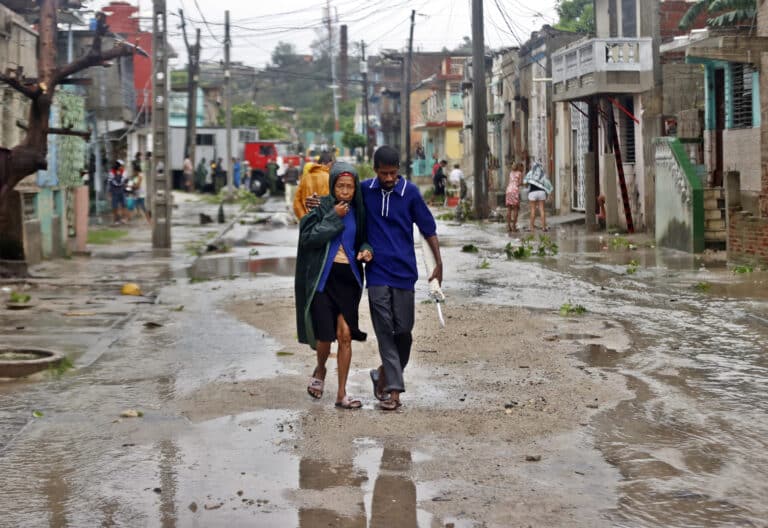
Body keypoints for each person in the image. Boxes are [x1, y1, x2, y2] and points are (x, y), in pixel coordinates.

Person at [363, 145, 443, 410]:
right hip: (376, 273)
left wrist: (438, 264)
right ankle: (394, 391)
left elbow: (428, 228)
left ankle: (382, 374)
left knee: (404, 333)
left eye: (392, 173)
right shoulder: (365, 190)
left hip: (404, 273)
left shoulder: (410, 193)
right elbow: (341, 200)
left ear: (399, 171)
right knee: (385, 330)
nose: (388, 178)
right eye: (383, 173)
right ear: (375, 171)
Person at [295, 162, 373, 409]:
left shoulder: (360, 211)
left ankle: (341, 394)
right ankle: (320, 369)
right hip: (324, 279)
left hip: (348, 280)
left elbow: (365, 240)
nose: (346, 191)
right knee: (325, 337)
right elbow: (309, 239)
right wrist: (332, 217)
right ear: (333, 185)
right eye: (341, 186)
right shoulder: (321, 207)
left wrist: (366, 250)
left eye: (350, 187)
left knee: (346, 335)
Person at [293, 151, 333, 220]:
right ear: (323, 163)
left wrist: (304, 218)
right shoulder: (329, 178)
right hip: (324, 222)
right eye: (330, 164)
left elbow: (296, 202)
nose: (331, 167)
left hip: (307, 221)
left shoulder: (305, 178)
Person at [523, 160, 553, 231]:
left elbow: (525, 182)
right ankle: (543, 227)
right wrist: (549, 193)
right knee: (542, 210)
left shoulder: (530, 173)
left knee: (533, 210)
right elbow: (547, 184)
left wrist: (528, 185)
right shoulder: (542, 174)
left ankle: (531, 227)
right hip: (541, 192)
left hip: (532, 193)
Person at [505, 161, 524, 232]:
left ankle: (508, 226)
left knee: (509, 209)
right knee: (516, 209)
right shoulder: (520, 173)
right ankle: (514, 227)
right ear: (518, 167)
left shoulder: (511, 173)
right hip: (515, 191)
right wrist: (521, 184)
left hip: (508, 190)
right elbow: (520, 183)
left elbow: (510, 182)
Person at [107, 159, 127, 225]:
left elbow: (123, 180)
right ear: (118, 166)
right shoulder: (112, 172)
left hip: (121, 190)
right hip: (114, 191)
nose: (122, 167)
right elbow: (110, 181)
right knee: (115, 206)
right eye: (121, 166)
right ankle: (116, 220)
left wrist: (120, 183)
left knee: (123, 205)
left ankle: (123, 218)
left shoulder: (123, 171)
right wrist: (109, 192)